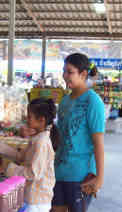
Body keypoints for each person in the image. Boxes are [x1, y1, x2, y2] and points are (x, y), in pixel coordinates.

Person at [52, 53, 105, 212]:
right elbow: (60, 136)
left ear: (83, 74)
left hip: (81, 176)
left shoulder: (93, 101)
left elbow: (98, 143)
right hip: (59, 171)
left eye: (70, 72)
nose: (65, 76)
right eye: (64, 71)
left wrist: (99, 178)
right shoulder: (65, 101)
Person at [0, 98, 58, 212]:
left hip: (37, 200)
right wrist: (4, 148)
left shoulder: (42, 142)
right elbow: (24, 156)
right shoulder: (37, 138)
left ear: (41, 120)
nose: (26, 119)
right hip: (32, 197)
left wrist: (9, 168)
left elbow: (33, 173)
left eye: (29, 117)